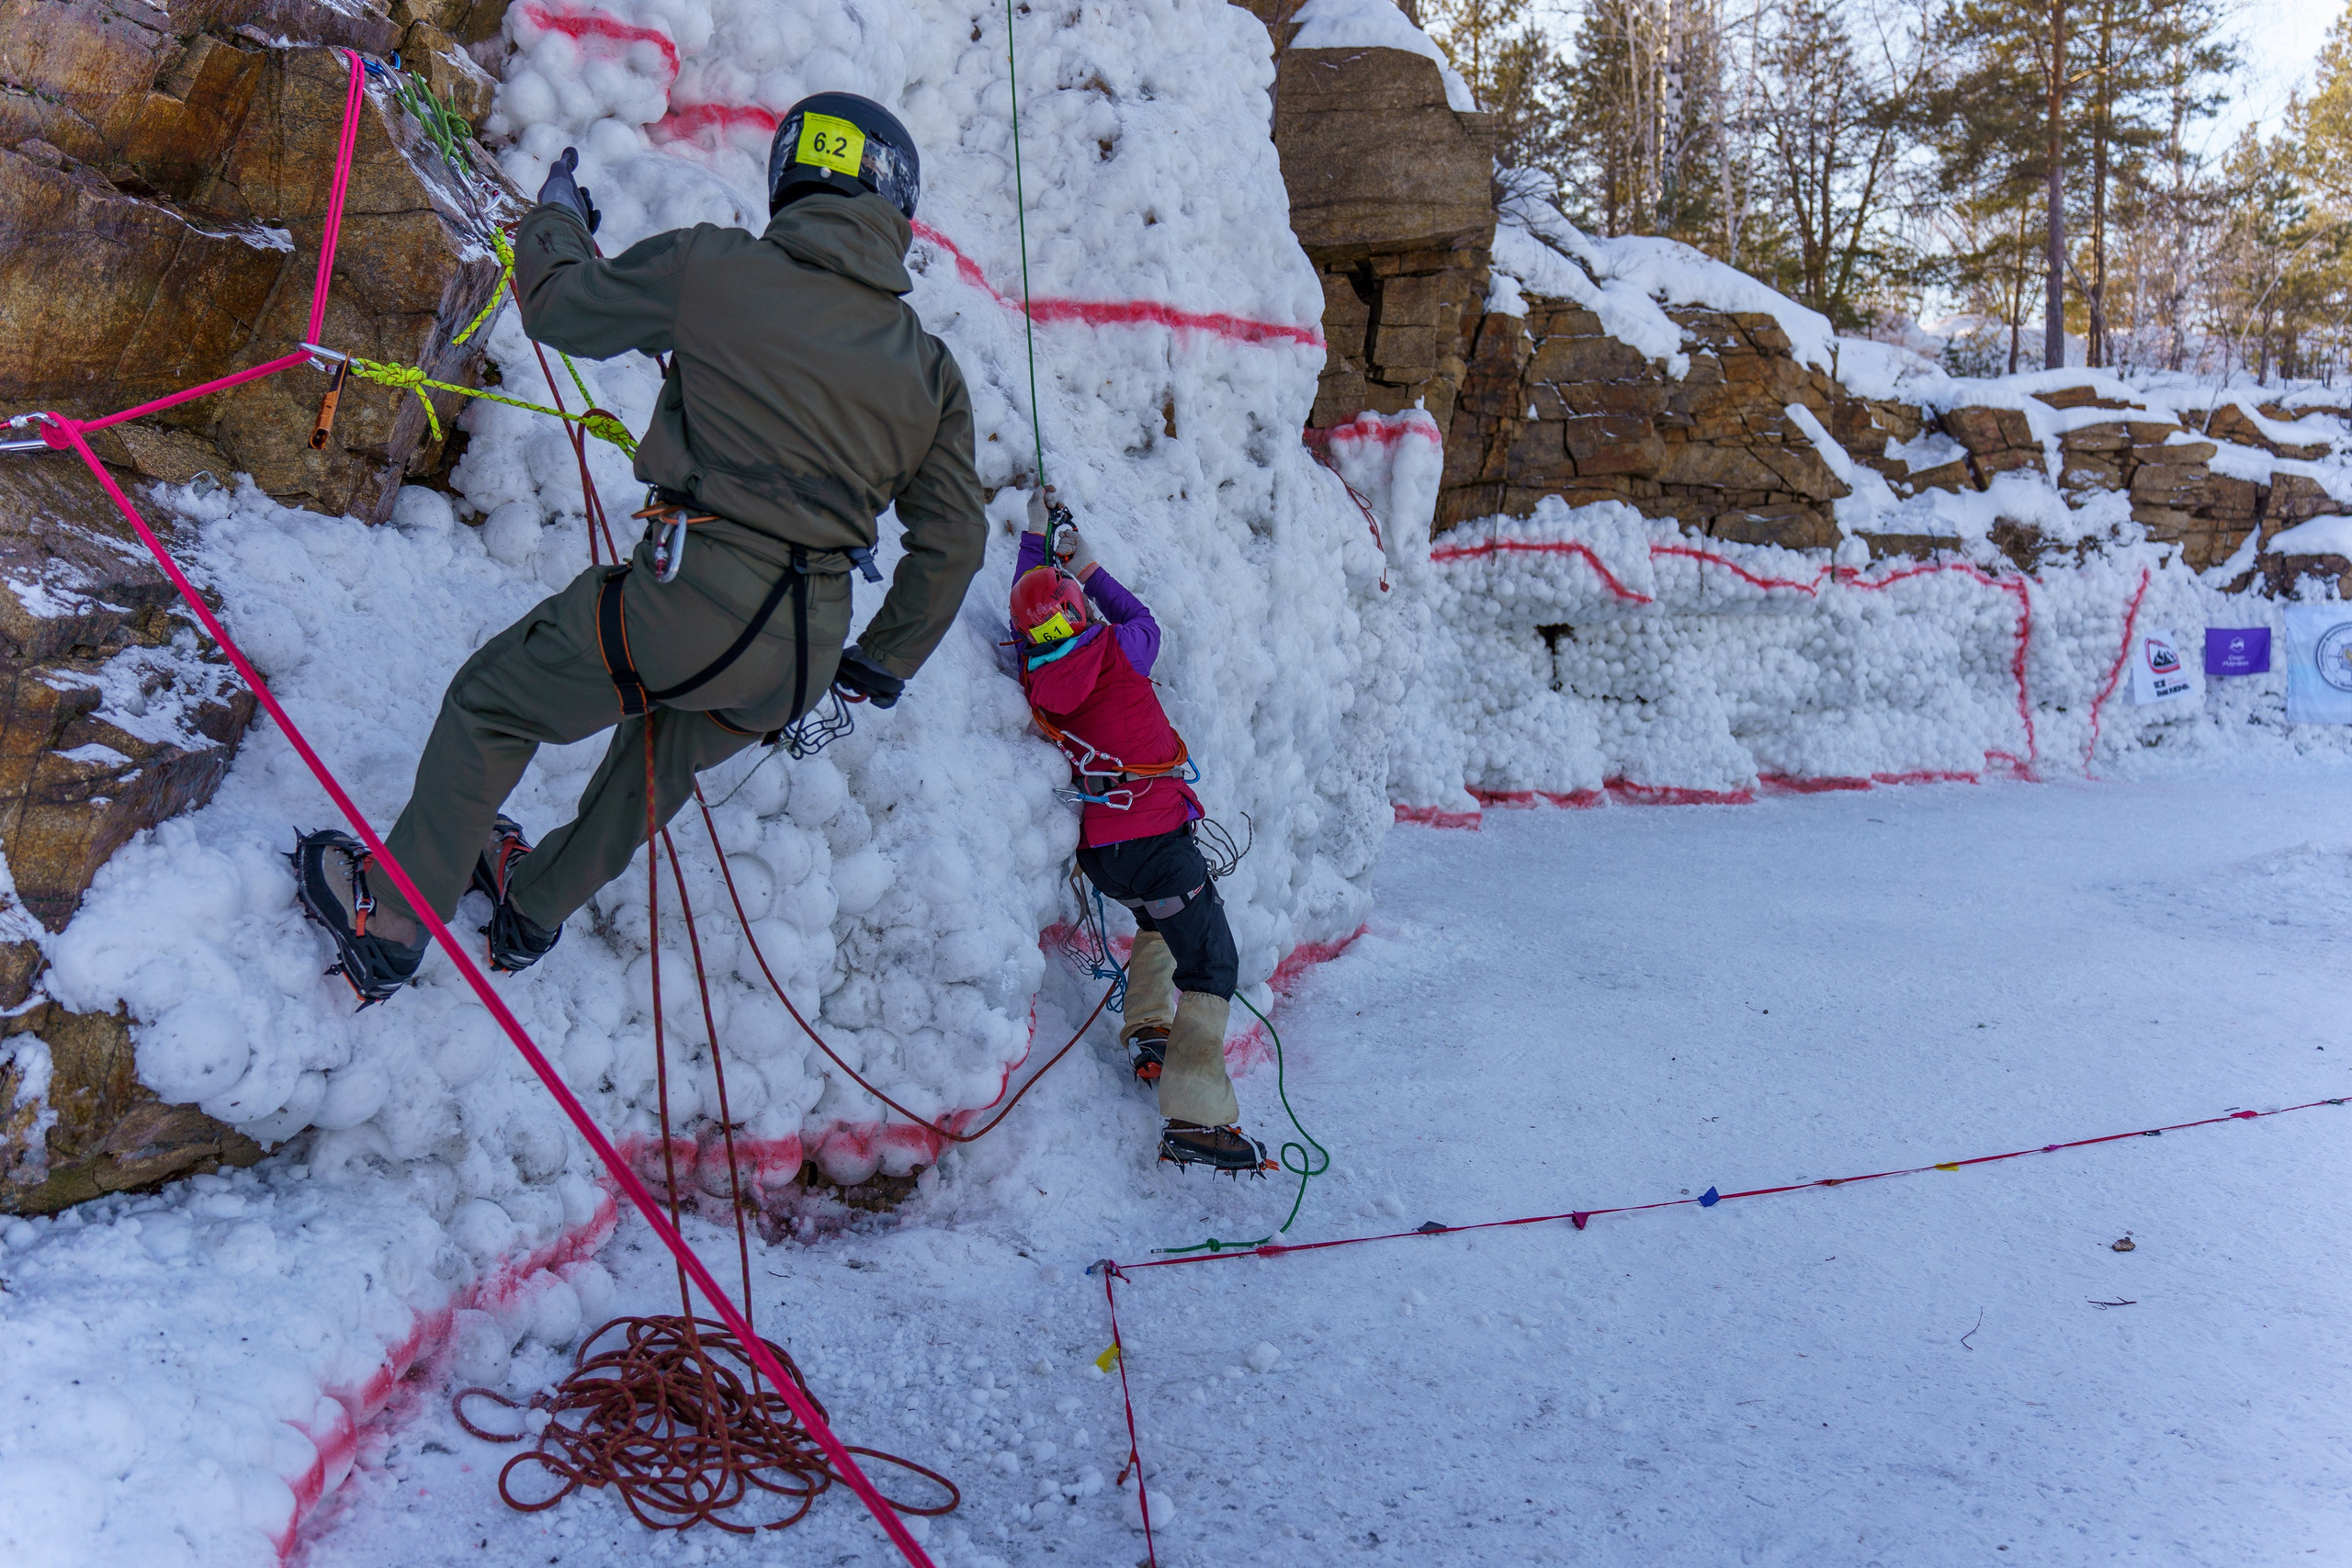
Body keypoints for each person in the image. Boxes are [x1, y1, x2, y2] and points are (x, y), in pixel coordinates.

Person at [294, 93, 984, 1004]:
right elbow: (956, 538)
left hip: (691, 593)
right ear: (896, 210)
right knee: (657, 765)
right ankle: (530, 908)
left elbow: (564, 310)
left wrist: (555, 223)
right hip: (803, 650)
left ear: (791, 181)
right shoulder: (929, 370)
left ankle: (389, 917)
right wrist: (883, 660)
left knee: (494, 705)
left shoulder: (716, 268)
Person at [1010, 492, 1268, 1173]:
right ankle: (1197, 1116)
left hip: (1105, 855)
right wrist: (1086, 567)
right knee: (1213, 962)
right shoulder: (1117, 651)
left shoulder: (1036, 676)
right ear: (1077, 613)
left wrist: (1037, 538)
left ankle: (1151, 1028)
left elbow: (1024, 600)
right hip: (1156, 842)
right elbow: (1142, 617)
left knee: (1158, 922)